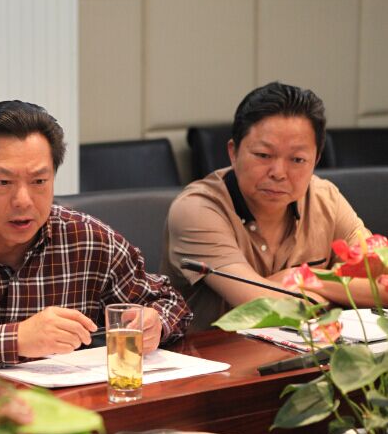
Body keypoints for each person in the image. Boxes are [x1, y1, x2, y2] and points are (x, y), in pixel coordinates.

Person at [0, 100, 192, 377]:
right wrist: (16, 339)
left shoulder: (89, 240)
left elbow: (170, 303)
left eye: (39, 181)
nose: (23, 201)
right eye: (3, 182)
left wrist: (155, 323)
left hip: (69, 412)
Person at [161, 82, 387, 332]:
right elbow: (262, 307)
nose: (278, 173)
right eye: (263, 155)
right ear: (233, 153)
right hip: (217, 355)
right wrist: (341, 293)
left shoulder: (326, 199)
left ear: (315, 161)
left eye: (297, 159)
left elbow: (383, 286)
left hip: (312, 351)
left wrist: (305, 279)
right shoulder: (197, 210)